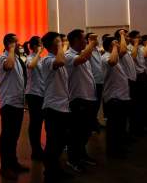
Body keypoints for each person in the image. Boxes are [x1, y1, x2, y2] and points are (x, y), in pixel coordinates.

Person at [65, 29, 98, 172]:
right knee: (76, 132)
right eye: (84, 39)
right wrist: (93, 43)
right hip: (78, 99)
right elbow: (82, 59)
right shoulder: (68, 56)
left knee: (86, 131)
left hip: (89, 97)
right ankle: (73, 160)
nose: (86, 41)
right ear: (77, 41)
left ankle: (82, 155)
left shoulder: (83, 54)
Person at [41, 31, 72, 182]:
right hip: (53, 108)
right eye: (59, 41)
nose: (63, 42)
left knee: (60, 142)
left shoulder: (58, 57)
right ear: (53, 44)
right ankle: (50, 174)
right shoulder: (47, 60)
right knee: (53, 143)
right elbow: (60, 61)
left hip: (63, 106)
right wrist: (61, 45)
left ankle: (56, 170)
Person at [0, 33, 29, 180]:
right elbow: (8, 67)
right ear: (10, 44)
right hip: (9, 103)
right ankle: (5, 167)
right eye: (16, 43)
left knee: (14, 136)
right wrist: (11, 49)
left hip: (18, 102)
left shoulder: (17, 59)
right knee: (7, 137)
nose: (20, 44)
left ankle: (13, 162)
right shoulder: (3, 58)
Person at [101, 37, 130, 158]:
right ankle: (112, 151)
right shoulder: (106, 57)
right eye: (116, 43)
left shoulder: (115, 55)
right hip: (113, 97)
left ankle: (119, 147)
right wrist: (114, 47)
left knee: (120, 125)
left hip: (121, 96)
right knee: (113, 126)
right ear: (110, 46)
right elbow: (112, 62)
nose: (118, 45)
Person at [25, 36, 44, 161]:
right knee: (35, 124)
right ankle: (35, 150)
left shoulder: (41, 59)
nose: (42, 46)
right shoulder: (30, 58)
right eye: (40, 44)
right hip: (33, 94)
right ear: (34, 47)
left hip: (42, 94)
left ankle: (39, 149)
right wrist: (38, 53)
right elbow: (31, 66)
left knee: (40, 123)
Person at [114, 29, 137, 136]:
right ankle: (125, 133)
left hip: (131, 81)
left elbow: (132, 56)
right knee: (126, 113)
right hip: (126, 83)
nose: (129, 38)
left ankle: (131, 130)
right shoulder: (120, 48)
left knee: (132, 110)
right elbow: (122, 52)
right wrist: (122, 35)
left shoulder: (127, 48)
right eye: (126, 36)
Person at [127, 30, 147, 136]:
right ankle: (134, 129)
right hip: (136, 78)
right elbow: (133, 57)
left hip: (143, 75)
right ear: (131, 38)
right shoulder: (129, 47)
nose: (139, 39)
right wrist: (135, 44)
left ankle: (142, 126)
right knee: (136, 105)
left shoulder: (140, 47)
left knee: (144, 103)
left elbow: (145, 56)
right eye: (137, 37)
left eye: (140, 37)